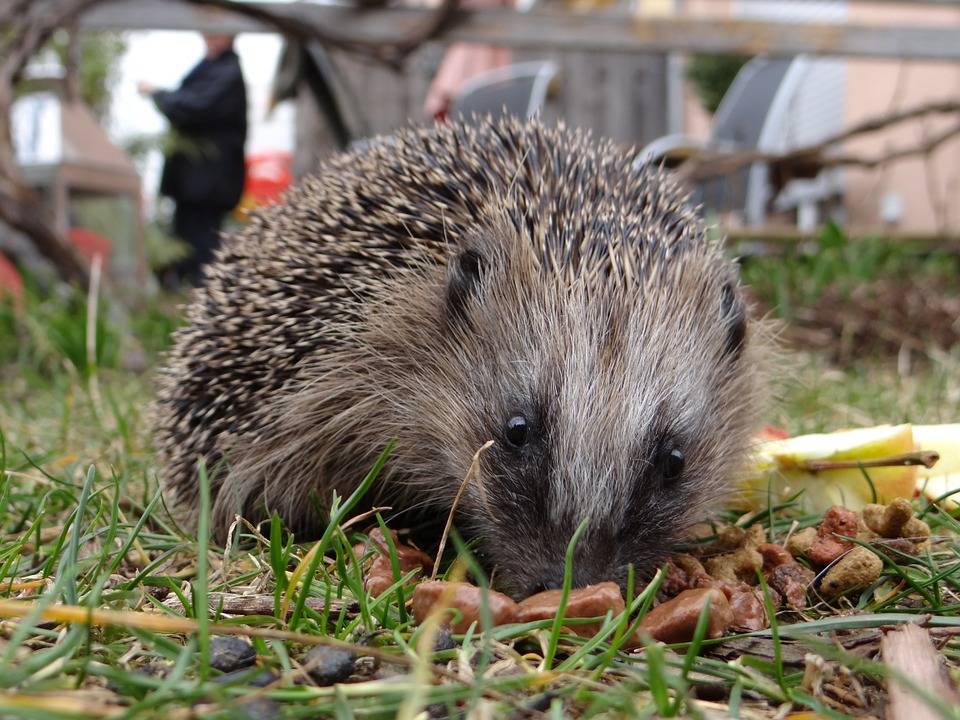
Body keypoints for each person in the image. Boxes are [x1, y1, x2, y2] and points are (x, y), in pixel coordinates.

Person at [138, 34, 247, 286]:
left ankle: (198, 298)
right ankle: (180, 293)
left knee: (201, 252)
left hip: (207, 186)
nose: (208, 39)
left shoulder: (227, 72)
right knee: (184, 247)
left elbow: (192, 107)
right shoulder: (213, 68)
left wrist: (158, 93)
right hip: (193, 185)